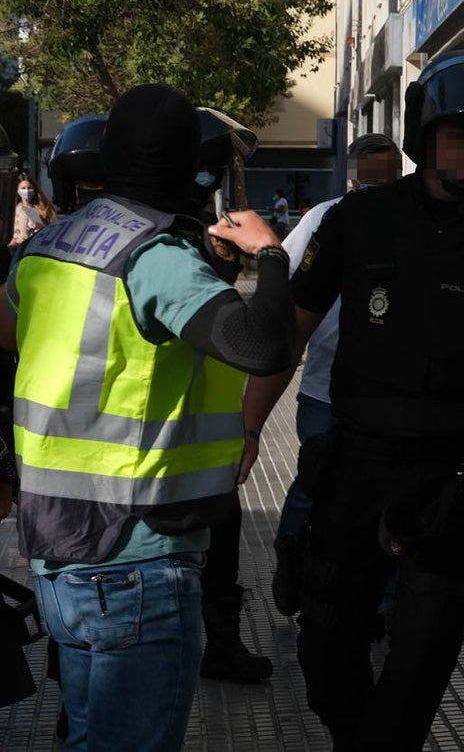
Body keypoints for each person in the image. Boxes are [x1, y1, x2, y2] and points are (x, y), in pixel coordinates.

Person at [241, 49, 464, 750]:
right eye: (458, 136)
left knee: (420, 659)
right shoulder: (355, 223)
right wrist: (246, 429)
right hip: (357, 467)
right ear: (424, 138)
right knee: (327, 651)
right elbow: (290, 335)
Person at [0, 84, 296, 751]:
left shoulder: (49, 246)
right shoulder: (154, 255)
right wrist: (270, 254)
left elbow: (22, 336)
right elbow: (261, 345)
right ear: (186, 165)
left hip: (57, 554)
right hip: (136, 558)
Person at [270, 131, 403, 618]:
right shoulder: (323, 219)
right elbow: (283, 283)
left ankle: (384, 602)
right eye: (369, 179)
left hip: (395, 393)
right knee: (318, 484)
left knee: (390, 497)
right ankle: (293, 558)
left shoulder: (416, 221)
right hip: (327, 389)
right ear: (352, 177)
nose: (379, 186)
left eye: (389, 176)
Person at [190, 106, 277, 683]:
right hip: (152, 447)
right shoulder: (163, 245)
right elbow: (262, 344)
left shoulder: (194, 232)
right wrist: (270, 258)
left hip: (204, 439)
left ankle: (221, 642)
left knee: (220, 551)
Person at [8, 175, 56, 248]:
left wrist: (41, 227)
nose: (26, 191)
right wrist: (10, 241)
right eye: (23, 188)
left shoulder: (43, 209)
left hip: (34, 247)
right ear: (17, 190)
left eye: (29, 188)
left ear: (34, 190)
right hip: (15, 248)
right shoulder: (12, 209)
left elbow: (54, 230)